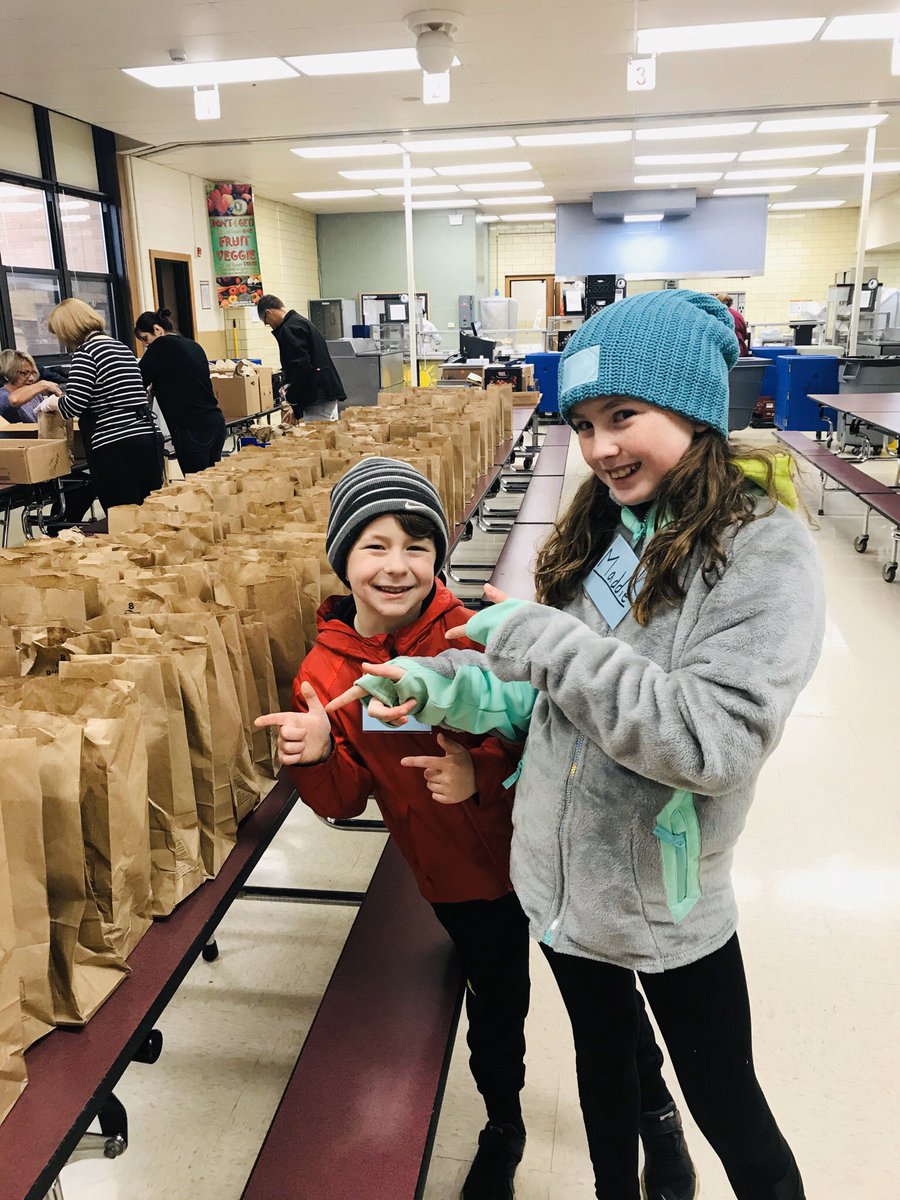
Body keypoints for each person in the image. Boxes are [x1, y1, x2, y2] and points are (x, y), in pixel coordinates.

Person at [333, 291, 825, 1200]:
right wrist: (448, 686)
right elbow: (543, 699)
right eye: (586, 422)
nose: (600, 448)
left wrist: (539, 635)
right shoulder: (606, 530)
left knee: (731, 1110)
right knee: (606, 1080)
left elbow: (708, 741)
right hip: (559, 888)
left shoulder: (762, 555)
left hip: (665, 904)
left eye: (624, 416)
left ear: (696, 408)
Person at [255, 458, 696, 1200]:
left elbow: (549, 735)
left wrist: (479, 776)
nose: (397, 566)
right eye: (375, 545)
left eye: (417, 546)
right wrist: (317, 754)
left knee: (605, 997)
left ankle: (655, 1112)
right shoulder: (328, 673)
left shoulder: (476, 635)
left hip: (549, 857)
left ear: (439, 555)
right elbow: (343, 800)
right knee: (496, 1008)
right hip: (456, 878)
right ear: (342, 558)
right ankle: (503, 1124)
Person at [45, 298, 163, 511]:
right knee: (147, 512)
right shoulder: (121, 347)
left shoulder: (86, 353)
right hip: (147, 437)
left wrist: (53, 403)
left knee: (122, 516)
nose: (62, 340)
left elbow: (73, 405)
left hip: (116, 446)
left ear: (69, 329)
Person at [134, 308, 227, 476]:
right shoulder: (193, 345)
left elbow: (136, 381)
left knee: (196, 490)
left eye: (146, 339)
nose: (147, 345)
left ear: (157, 329)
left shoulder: (161, 345)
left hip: (191, 428)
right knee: (212, 485)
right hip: (215, 423)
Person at [256, 294, 345, 422]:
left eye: (266, 322)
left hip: (317, 397)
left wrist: (292, 398)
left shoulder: (289, 329)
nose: (269, 326)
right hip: (324, 393)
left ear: (269, 313)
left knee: (316, 439)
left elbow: (302, 369)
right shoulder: (300, 322)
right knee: (326, 437)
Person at [0, 350, 62, 423]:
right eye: (24, 373)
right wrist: (42, 385)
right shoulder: (2, 396)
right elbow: (14, 400)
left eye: (32, 373)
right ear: (7, 375)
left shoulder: (35, 396)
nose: (31, 378)